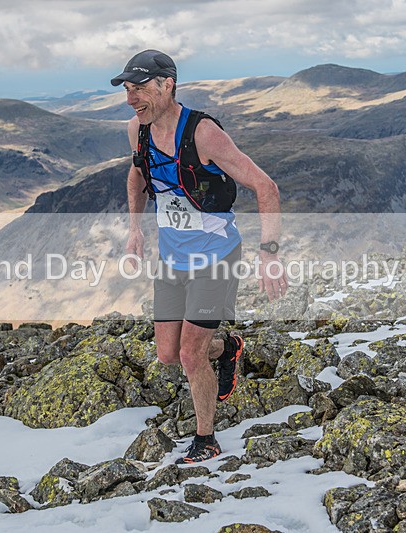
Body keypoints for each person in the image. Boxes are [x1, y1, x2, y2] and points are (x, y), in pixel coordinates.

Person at [111, 50, 288, 464]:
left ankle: (205, 438)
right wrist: (134, 229)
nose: (132, 98)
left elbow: (267, 188)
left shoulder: (204, 134)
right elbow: (138, 174)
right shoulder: (136, 130)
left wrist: (270, 254)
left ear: (167, 85)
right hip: (173, 259)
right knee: (167, 354)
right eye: (128, 90)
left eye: (140, 89)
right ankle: (225, 348)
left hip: (216, 257)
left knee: (190, 354)